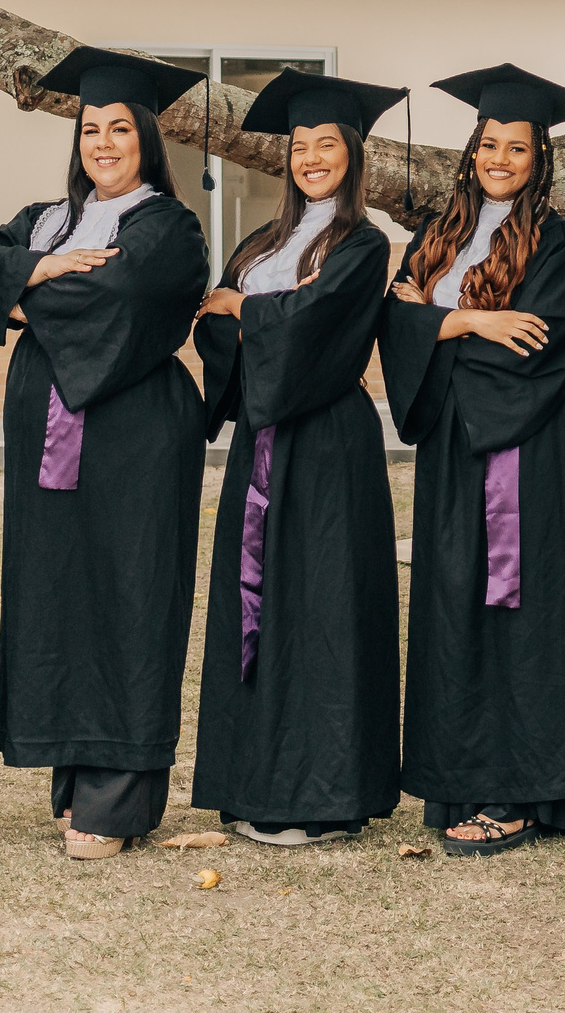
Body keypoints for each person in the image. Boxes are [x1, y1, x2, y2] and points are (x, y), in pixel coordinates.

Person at [0, 46, 211, 862]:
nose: (102, 143)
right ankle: (76, 775)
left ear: (147, 138)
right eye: (90, 129)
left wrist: (26, 294)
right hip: (52, 447)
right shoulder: (47, 220)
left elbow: (121, 297)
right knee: (62, 596)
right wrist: (39, 267)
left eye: (119, 128)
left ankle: (121, 795)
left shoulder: (168, 226)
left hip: (134, 444)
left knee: (129, 596)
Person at [382, 64, 565, 857]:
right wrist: (472, 322)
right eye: (488, 144)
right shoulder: (436, 235)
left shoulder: (556, 243)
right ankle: (461, 780)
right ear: (470, 151)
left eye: (517, 147)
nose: (500, 159)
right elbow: (395, 324)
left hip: (521, 450)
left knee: (520, 613)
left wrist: (436, 320)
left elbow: (537, 346)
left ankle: (518, 792)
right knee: (455, 607)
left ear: (539, 159)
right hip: (451, 454)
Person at [191, 70, 409, 847]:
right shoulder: (262, 243)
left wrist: (249, 309)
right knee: (259, 607)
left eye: (327, 144)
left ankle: (326, 796)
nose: (311, 157)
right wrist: (265, 312)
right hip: (260, 440)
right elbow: (211, 324)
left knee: (324, 611)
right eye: (300, 145)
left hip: (327, 448)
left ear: (353, 154)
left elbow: (320, 328)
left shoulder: (364, 243)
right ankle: (255, 783)